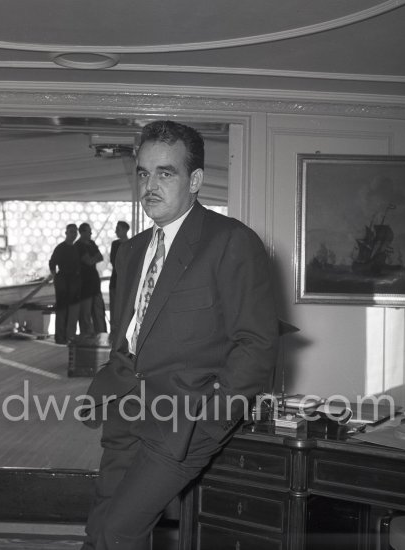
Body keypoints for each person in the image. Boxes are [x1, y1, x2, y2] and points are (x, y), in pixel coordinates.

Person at [80, 120, 279, 550]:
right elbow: (129, 335)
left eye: (165, 173)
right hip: (125, 412)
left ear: (195, 180)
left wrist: (212, 420)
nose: (150, 185)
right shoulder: (131, 252)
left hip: (184, 422)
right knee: (100, 528)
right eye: (143, 173)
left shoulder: (231, 242)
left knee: (119, 531)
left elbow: (258, 345)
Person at [48, 223, 81, 344]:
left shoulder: (76, 248)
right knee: (62, 311)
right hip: (62, 283)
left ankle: (69, 337)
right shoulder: (60, 248)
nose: (73, 234)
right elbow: (52, 263)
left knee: (72, 312)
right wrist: (55, 276)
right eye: (71, 231)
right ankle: (60, 337)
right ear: (66, 233)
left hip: (74, 284)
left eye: (75, 232)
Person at [75, 222, 107, 335]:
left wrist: (92, 259)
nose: (91, 234)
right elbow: (88, 261)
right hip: (84, 284)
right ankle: (87, 336)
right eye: (88, 231)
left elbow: (100, 257)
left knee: (98, 312)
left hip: (94, 282)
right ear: (82, 232)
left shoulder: (92, 243)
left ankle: (101, 334)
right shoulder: (78, 245)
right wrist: (94, 258)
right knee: (85, 313)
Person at [108, 220, 130, 334]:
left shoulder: (132, 243)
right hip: (116, 280)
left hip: (126, 282)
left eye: (118, 229)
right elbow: (113, 261)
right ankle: (114, 330)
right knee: (114, 307)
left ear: (125, 230)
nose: (116, 231)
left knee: (124, 307)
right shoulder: (115, 244)